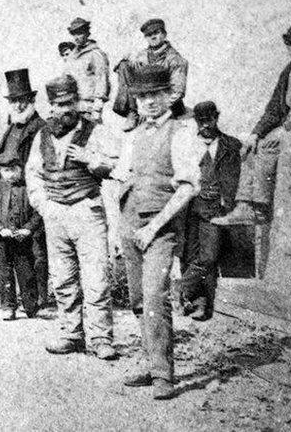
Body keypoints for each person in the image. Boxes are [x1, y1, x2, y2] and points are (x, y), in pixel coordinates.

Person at [112, 67, 204, 400]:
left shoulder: (182, 131)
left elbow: (187, 188)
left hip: (159, 229)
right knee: (138, 300)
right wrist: (120, 228)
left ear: (169, 96)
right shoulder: (133, 135)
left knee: (154, 297)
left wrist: (153, 227)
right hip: (130, 225)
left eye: (155, 95)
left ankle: (164, 373)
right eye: (142, 97)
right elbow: (123, 178)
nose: (149, 102)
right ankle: (152, 365)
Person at [212, 22, 291, 226]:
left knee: (270, 145)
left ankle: (260, 208)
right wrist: (257, 132)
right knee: (251, 146)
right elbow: (274, 109)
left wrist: (287, 128)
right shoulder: (287, 72)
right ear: (287, 46)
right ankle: (245, 205)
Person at [25, 75, 118, 359]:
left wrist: (91, 159)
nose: (62, 110)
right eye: (56, 105)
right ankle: (71, 334)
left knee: (96, 278)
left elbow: (116, 165)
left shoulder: (96, 131)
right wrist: (45, 206)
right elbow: (33, 175)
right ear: (50, 106)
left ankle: (101, 338)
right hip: (57, 214)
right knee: (63, 278)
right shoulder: (42, 135)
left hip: (86, 210)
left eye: (68, 103)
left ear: (77, 102)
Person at [0, 69, 52, 309]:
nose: (17, 105)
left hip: (31, 195)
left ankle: (39, 298)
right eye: (14, 101)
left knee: (36, 250)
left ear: (31, 101)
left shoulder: (40, 127)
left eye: (22, 100)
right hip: (9, 195)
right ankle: (24, 299)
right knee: (13, 253)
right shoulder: (12, 128)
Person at [179, 101, 241, 320]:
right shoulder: (186, 144)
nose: (205, 125)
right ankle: (198, 304)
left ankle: (182, 288)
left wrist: (228, 204)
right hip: (187, 208)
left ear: (217, 117)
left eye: (209, 120)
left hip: (214, 209)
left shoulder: (231, 145)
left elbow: (235, 180)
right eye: (200, 121)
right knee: (189, 255)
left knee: (209, 257)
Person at [0, 150, 43, 320]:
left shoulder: (28, 189)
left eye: (13, 170)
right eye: (5, 170)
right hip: (1, 239)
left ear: (20, 170)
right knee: (3, 272)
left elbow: (37, 212)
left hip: (22, 238)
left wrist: (28, 229)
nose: (10, 174)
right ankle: (8, 306)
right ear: (0, 171)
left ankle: (31, 305)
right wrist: (0, 229)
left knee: (26, 272)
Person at [113, 18, 189, 126]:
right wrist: (123, 64)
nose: (153, 37)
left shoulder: (175, 59)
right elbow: (129, 72)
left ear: (164, 34)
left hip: (169, 105)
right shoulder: (142, 55)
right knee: (124, 65)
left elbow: (178, 91)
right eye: (149, 35)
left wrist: (160, 107)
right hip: (150, 102)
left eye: (156, 33)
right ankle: (132, 112)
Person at [66, 18, 110, 123]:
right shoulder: (72, 56)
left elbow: (102, 81)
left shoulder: (96, 54)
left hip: (89, 107)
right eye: (74, 34)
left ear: (87, 33)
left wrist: (97, 110)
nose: (76, 38)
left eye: (79, 34)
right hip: (73, 106)